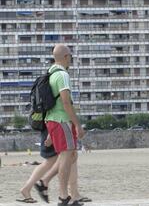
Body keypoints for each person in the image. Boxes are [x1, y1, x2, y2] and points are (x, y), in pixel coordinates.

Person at [45, 44, 85, 206]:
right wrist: (77, 125)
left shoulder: (51, 73)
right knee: (67, 158)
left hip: (52, 120)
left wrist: (49, 133)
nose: (71, 59)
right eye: (70, 56)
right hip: (62, 121)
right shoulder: (62, 75)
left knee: (70, 156)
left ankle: (46, 181)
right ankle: (63, 197)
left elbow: (50, 103)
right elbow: (66, 102)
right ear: (66, 57)